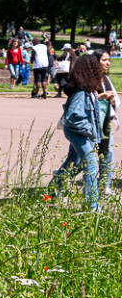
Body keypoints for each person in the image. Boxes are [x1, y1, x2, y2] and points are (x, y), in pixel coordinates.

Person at [50, 54, 106, 211]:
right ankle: (92, 206)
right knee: (91, 165)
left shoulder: (87, 91)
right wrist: (90, 131)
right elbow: (74, 117)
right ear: (91, 70)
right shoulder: (81, 93)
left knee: (72, 164)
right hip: (78, 133)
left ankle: (51, 192)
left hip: (80, 133)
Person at [96, 50, 119, 196]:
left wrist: (110, 99)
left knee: (107, 154)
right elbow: (84, 100)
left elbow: (113, 99)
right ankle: (59, 183)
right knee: (79, 159)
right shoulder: (88, 79)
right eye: (104, 60)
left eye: (108, 60)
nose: (108, 63)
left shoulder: (105, 78)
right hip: (91, 124)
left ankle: (105, 186)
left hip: (106, 121)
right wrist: (100, 96)